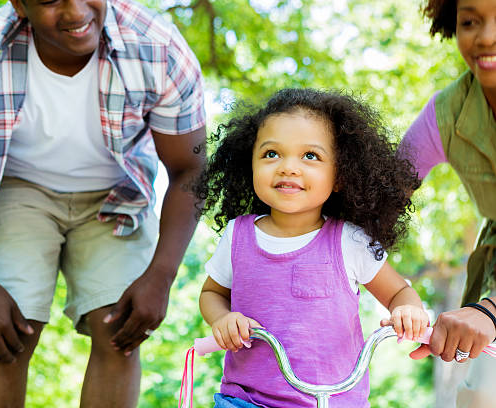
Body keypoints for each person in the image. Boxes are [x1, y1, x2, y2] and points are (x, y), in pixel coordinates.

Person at [0, 0, 206, 406]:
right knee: (9, 333)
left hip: (117, 191)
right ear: (19, 4)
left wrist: (161, 274)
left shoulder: (156, 47)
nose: (74, 12)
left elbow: (190, 169)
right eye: (50, 0)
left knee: (119, 331)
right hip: (18, 186)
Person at [192, 88, 428, 407]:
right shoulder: (238, 236)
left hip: (332, 400)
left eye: (310, 156)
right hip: (246, 399)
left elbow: (399, 292)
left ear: (340, 175)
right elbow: (212, 294)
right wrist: (222, 318)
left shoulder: (349, 241)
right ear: (250, 164)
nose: (289, 167)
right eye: (271, 154)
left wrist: (408, 310)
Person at [399, 0, 496, 406]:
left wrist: (490, 311)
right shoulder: (448, 112)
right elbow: (379, 196)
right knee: (477, 394)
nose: (487, 37)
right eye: (471, 21)